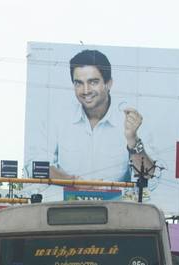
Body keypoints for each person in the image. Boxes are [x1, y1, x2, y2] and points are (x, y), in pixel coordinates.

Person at [41, 49, 156, 182]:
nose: (85, 91)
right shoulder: (59, 117)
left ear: (108, 83)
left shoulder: (131, 120)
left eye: (93, 82)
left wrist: (133, 140)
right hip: (68, 200)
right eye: (79, 83)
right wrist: (74, 182)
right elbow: (39, 166)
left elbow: (149, 176)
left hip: (114, 202)